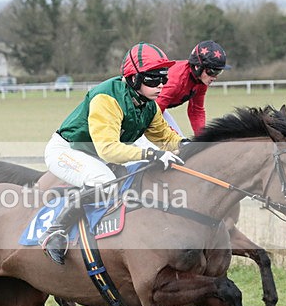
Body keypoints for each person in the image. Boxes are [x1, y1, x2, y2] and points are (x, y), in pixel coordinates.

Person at [39, 42, 185, 264]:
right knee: (103, 180)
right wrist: (152, 154)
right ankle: (55, 231)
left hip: (96, 152)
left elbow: (165, 138)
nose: (161, 85)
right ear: (134, 78)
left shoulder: (149, 105)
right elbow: (108, 150)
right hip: (67, 150)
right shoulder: (106, 99)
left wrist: (188, 144)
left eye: (164, 78)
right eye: (153, 79)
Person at [155, 40, 230, 136]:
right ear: (197, 67)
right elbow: (152, 114)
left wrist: (203, 139)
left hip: (155, 109)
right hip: (140, 110)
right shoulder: (176, 81)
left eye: (218, 72)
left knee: (181, 143)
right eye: (212, 72)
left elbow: (196, 111)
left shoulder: (201, 82)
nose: (215, 77)